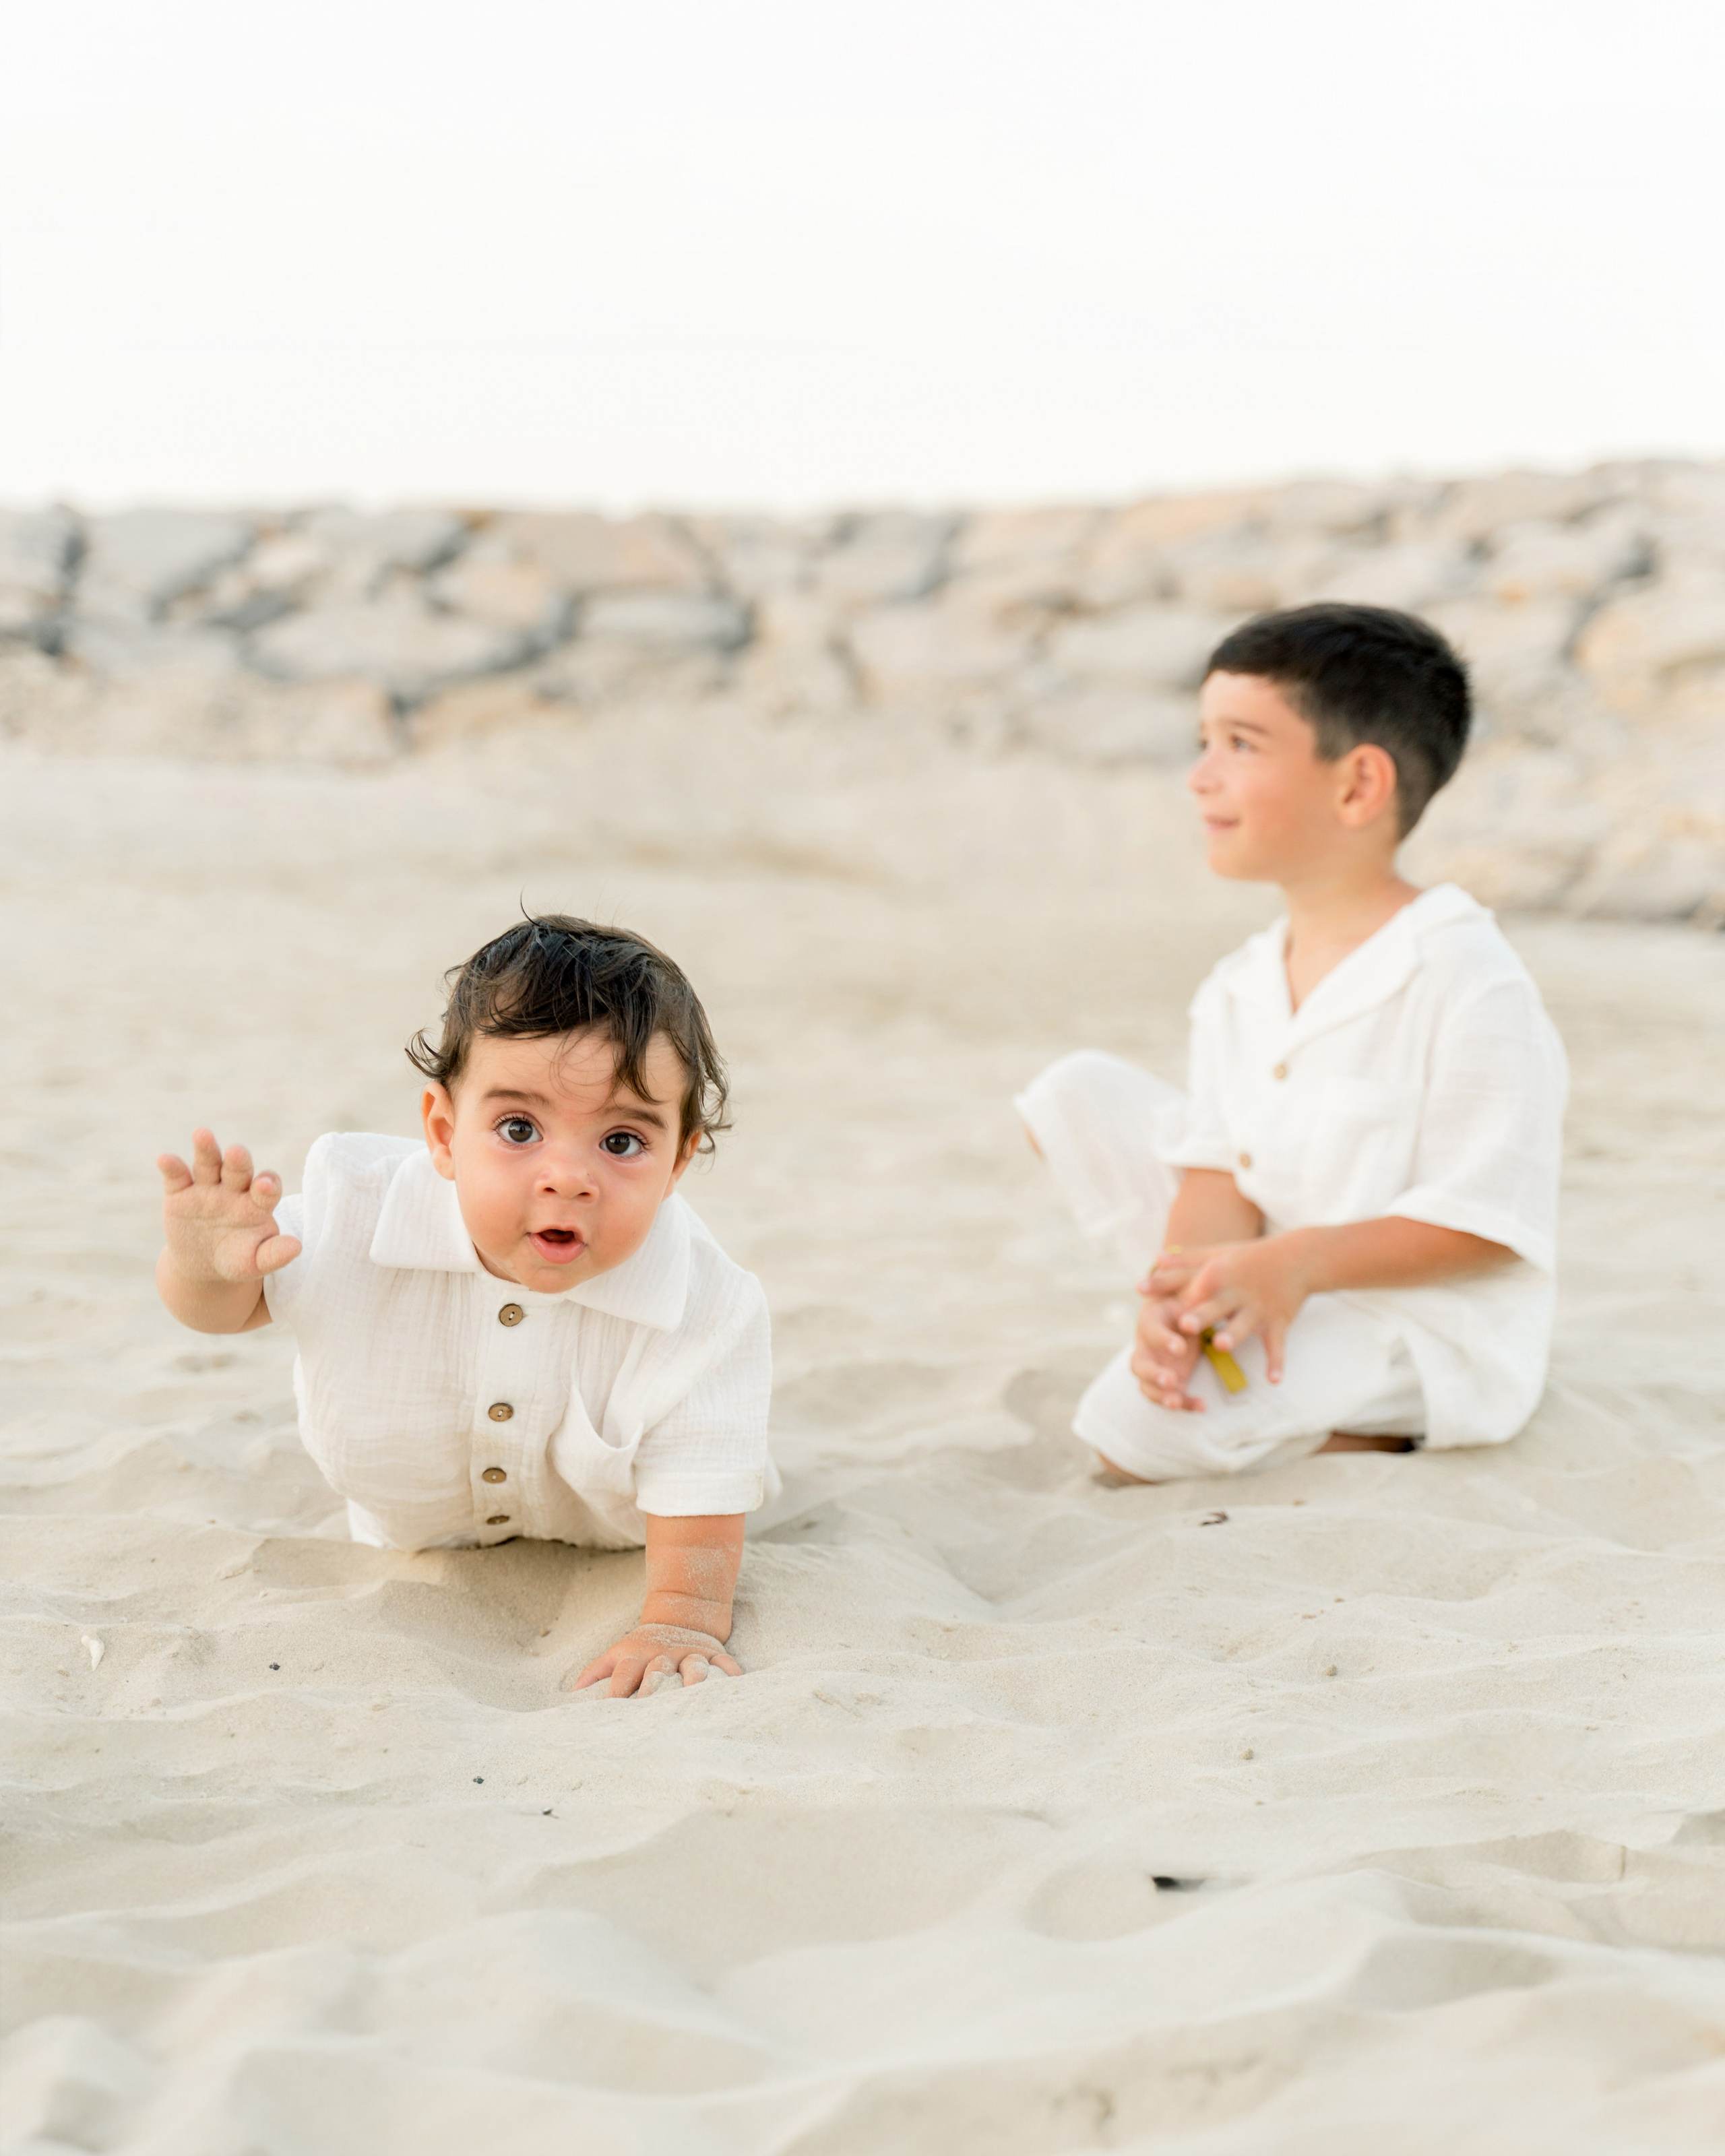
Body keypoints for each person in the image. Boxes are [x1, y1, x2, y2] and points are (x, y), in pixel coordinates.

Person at [1017, 602, 1567, 1483]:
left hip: (1406, 1318)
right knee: (1070, 1092)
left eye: (1240, 744)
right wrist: (1186, 1299)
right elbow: (1216, 1171)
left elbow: (1490, 1226)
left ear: (1357, 786)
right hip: (1275, 1272)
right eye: (1203, 740)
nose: (1200, 776)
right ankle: (1218, 1324)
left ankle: (1366, 1427)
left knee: (1129, 1443)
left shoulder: (1467, 975)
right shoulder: (1240, 982)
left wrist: (1296, 1263)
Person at [154, 916, 774, 1694]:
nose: (567, 1176)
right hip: (409, 1541)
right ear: (444, 1134)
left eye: (622, 1142)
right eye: (519, 1128)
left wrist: (679, 1616)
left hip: (617, 1539)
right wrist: (203, 1266)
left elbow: (705, 1481)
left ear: (679, 1160)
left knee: (719, 1450)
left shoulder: (705, 1302)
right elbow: (225, 1311)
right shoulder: (360, 1213)